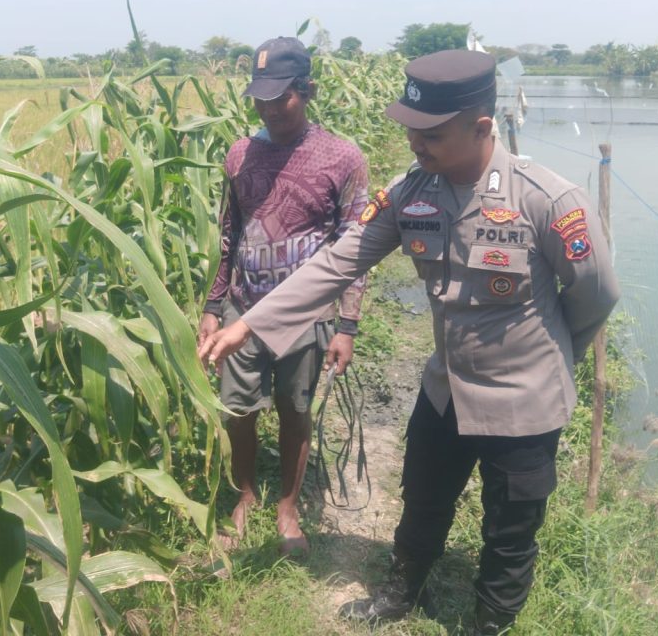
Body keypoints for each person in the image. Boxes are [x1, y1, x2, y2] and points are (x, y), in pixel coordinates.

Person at [199, 49, 620, 633]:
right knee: (423, 498)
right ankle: (401, 591)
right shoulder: (410, 194)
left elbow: (594, 296)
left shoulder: (547, 201)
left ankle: (488, 622)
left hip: (526, 401)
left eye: (431, 135)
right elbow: (337, 262)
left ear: (480, 128)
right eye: (409, 132)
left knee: (510, 525)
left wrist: (552, 363)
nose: (415, 145)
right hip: (446, 390)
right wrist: (250, 322)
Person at [197, 36, 369, 556]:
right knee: (238, 409)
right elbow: (230, 233)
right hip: (241, 308)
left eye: (281, 98)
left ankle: (288, 506)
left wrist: (347, 325)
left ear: (308, 89)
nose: (269, 109)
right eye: (260, 99)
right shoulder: (240, 154)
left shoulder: (342, 158)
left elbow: (355, 246)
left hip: (305, 317)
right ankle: (245, 494)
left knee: (295, 409)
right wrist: (212, 306)